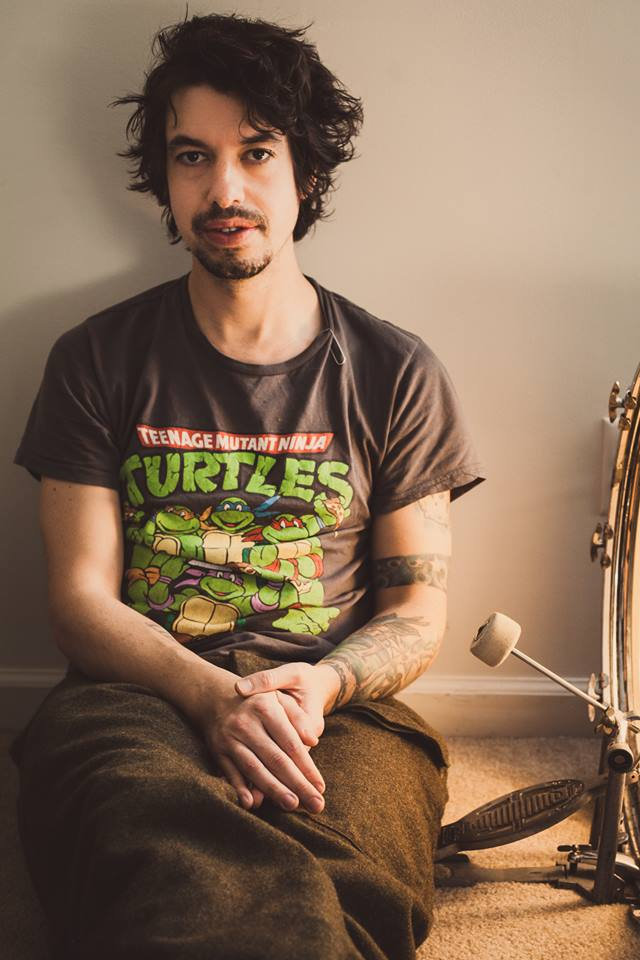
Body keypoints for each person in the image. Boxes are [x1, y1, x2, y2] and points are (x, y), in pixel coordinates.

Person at [10, 12, 484, 960]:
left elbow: (416, 611)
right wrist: (210, 696)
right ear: (165, 177)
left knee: (359, 872)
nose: (224, 189)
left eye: (257, 153)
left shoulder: (396, 372)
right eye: (193, 156)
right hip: (135, 691)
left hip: (338, 706)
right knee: (165, 858)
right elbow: (78, 603)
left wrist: (323, 683)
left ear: (306, 172)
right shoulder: (94, 359)